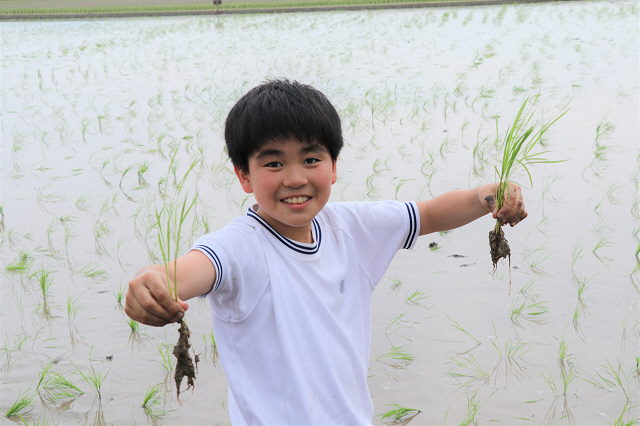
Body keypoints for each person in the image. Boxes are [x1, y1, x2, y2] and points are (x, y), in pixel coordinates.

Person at [125, 79, 527, 425]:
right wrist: (153, 283)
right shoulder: (240, 246)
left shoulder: (350, 228)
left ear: (333, 167)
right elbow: (189, 270)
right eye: (273, 163)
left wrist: (486, 195)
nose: (295, 178)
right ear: (244, 176)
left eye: (311, 159)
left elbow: (429, 213)